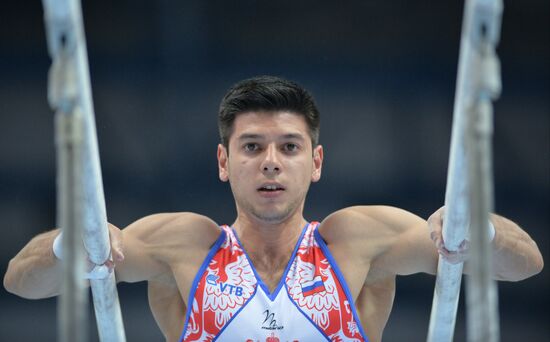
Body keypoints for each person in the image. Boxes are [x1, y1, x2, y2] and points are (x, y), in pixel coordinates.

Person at [3, 76, 544, 342]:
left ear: (316, 162)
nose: (270, 163)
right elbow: (21, 282)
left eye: (288, 147)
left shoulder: (353, 240)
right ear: (223, 161)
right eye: (252, 147)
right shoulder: (184, 244)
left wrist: (483, 229)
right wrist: (66, 244)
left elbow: (526, 265)